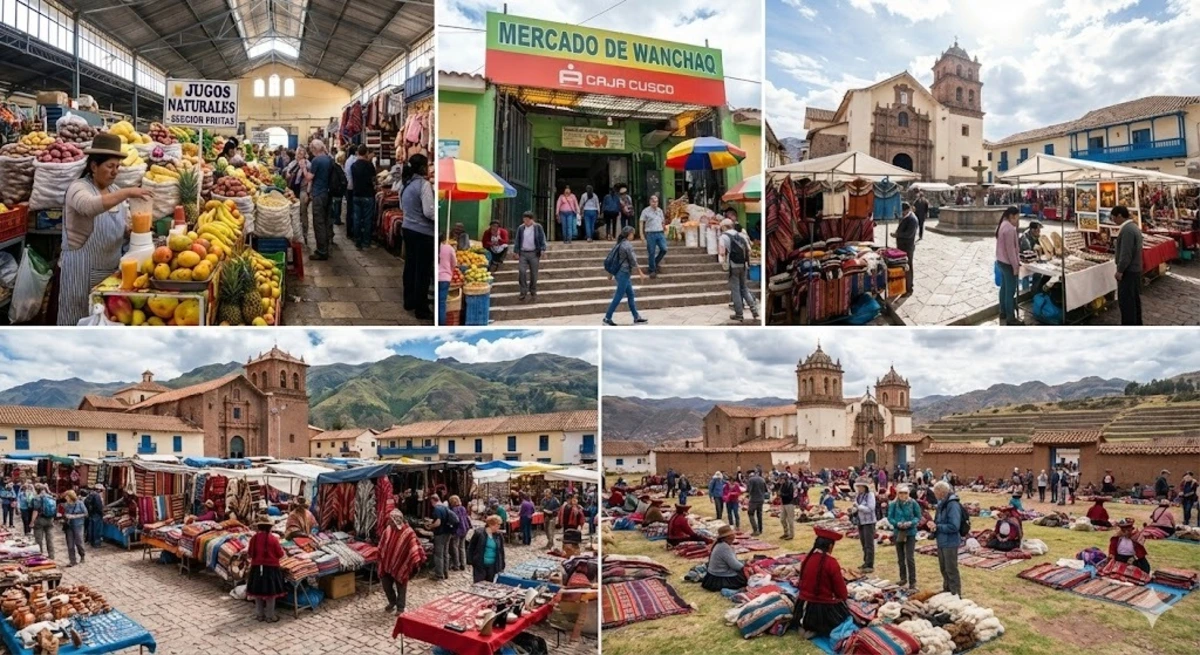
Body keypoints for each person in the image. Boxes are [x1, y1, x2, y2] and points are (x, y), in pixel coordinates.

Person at [58, 133, 156, 325]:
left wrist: (133, 231)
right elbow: (88, 206)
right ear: (94, 166)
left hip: (109, 276)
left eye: (117, 167)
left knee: (104, 321)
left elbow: (118, 226)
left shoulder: (113, 191)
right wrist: (127, 191)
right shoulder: (78, 188)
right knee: (77, 321)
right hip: (81, 272)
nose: (115, 171)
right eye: (110, 166)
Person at [793, 526, 851, 638]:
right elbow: (841, 593)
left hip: (803, 605)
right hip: (823, 609)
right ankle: (816, 627)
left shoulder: (807, 559)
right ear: (830, 546)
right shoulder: (831, 563)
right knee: (844, 613)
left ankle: (805, 624)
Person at [400, 154, 435, 321]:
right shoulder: (424, 185)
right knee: (423, 271)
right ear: (423, 167)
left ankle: (409, 300)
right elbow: (429, 211)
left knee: (410, 267)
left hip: (408, 228)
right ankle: (421, 309)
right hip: (423, 233)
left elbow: (402, 206)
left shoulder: (405, 184)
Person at [378, 502, 425, 613]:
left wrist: (411, 561)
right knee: (386, 584)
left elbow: (414, 548)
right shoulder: (388, 530)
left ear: (396, 520)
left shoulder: (409, 533)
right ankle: (392, 602)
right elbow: (382, 543)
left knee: (401, 586)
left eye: (391, 520)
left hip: (402, 564)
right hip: (387, 563)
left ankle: (400, 607)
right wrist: (381, 555)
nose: (389, 522)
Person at [602, 225, 648, 326]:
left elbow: (615, 260)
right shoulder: (627, 245)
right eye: (632, 233)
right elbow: (633, 260)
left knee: (631, 294)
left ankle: (636, 317)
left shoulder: (620, 244)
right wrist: (640, 272)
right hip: (624, 273)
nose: (633, 235)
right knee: (618, 296)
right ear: (629, 234)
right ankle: (607, 318)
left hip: (621, 273)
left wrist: (611, 273)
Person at [246, 517, 286, 622]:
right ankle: (270, 616)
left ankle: (259, 615)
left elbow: (250, 553)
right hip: (271, 569)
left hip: (256, 567)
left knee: (258, 592)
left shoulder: (254, 538)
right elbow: (280, 554)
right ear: (269, 527)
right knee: (271, 593)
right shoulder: (273, 539)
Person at [1109, 204, 1143, 324]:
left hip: (1129, 271)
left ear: (1119, 216)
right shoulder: (1133, 227)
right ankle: (1136, 324)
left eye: (1113, 217)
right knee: (1134, 300)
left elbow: (1126, 254)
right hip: (1134, 269)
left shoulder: (1128, 230)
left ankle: (1129, 325)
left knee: (1127, 302)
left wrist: (1120, 271)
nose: (1112, 220)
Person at [721, 222, 759, 322]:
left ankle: (739, 314)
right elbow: (749, 249)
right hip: (743, 265)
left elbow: (721, 252)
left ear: (724, 227)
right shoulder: (742, 235)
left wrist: (724, 260)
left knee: (735, 290)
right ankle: (754, 310)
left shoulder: (724, 236)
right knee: (744, 288)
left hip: (733, 266)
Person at [305, 139, 335, 261]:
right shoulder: (329, 159)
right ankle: (326, 247)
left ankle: (321, 251)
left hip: (319, 194)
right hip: (328, 193)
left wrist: (303, 168)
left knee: (318, 222)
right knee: (327, 220)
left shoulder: (316, 160)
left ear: (314, 149)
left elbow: (309, 178)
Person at [933, 480, 963, 596]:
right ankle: (947, 592)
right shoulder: (942, 504)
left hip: (950, 542)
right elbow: (938, 520)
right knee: (944, 569)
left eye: (935, 492)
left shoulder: (952, 504)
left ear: (941, 492)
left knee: (951, 570)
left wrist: (938, 527)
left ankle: (955, 594)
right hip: (942, 541)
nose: (934, 494)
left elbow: (954, 526)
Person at [887, 485, 920, 589]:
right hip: (899, 532)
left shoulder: (913, 503)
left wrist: (911, 523)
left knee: (910, 557)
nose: (903, 495)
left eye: (905, 493)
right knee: (900, 557)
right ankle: (903, 578)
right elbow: (890, 517)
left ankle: (912, 581)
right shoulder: (893, 504)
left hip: (910, 532)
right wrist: (896, 524)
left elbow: (918, 516)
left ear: (908, 494)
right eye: (901, 493)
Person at [995, 206, 1022, 326]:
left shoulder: (1003, 224)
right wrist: (1015, 267)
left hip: (1001, 261)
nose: (1018, 220)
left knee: (1004, 288)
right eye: (1017, 218)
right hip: (1008, 263)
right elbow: (1011, 251)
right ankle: (1010, 318)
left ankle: (1003, 312)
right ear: (1012, 216)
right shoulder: (1010, 229)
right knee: (1010, 292)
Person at [701, 525, 747, 591]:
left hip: (712, 577)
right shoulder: (724, 547)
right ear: (728, 537)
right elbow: (735, 566)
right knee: (745, 578)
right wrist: (745, 566)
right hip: (720, 578)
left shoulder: (719, 544)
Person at [348, 145, 377, 250]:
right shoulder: (369, 165)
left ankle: (357, 241)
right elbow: (374, 180)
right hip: (368, 195)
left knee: (356, 219)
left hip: (356, 195)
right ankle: (366, 242)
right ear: (366, 153)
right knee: (367, 219)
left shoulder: (353, 166)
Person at [515, 211, 546, 303]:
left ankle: (533, 290)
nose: (526, 222)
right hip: (523, 253)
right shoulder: (521, 228)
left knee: (534, 273)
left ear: (532, 220)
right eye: (524, 220)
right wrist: (516, 251)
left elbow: (542, 238)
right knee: (522, 271)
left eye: (527, 220)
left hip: (534, 253)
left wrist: (543, 249)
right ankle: (523, 291)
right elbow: (517, 240)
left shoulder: (537, 227)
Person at [468, 515, 506, 583]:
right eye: (497, 525)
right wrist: (471, 560)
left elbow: (501, 551)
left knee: (490, 584)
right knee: (479, 584)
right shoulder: (479, 533)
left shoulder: (498, 535)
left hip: (493, 565)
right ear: (491, 525)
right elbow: (471, 547)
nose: (499, 527)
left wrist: (502, 564)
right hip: (480, 564)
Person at [893, 202, 919, 297]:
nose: (901, 213)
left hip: (907, 247)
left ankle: (908, 289)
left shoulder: (912, 219)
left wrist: (897, 235)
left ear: (907, 210)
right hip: (902, 246)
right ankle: (904, 286)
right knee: (904, 267)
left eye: (902, 211)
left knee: (908, 267)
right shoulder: (906, 217)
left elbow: (909, 234)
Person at [287, 147, 311, 245]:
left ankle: (304, 234)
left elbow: (310, 179)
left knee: (303, 212)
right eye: (297, 154)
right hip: (292, 190)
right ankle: (293, 233)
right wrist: (287, 175)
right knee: (292, 212)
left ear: (304, 154)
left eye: (301, 154)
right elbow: (287, 174)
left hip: (303, 190)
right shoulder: (292, 164)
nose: (298, 156)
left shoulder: (308, 165)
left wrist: (309, 194)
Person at [853, 477, 876, 573]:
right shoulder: (858, 495)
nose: (859, 488)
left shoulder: (870, 495)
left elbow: (871, 508)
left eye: (860, 486)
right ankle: (865, 561)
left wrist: (859, 507)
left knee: (869, 543)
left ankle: (870, 564)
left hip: (869, 522)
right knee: (863, 543)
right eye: (857, 486)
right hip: (861, 521)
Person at [640, 195, 667, 278]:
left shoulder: (660, 211)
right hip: (650, 233)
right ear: (650, 202)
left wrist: (664, 228)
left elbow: (662, 221)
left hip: (660, 232)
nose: (655, 203)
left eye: (656, 201)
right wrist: (641, 234)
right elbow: (641, 222)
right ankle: (652, 270)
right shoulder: (646, 211)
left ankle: (654, 262)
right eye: (653, 201)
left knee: (664, 249)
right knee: (651, 252)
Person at [430, 494, 454, 580]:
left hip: (440, 533)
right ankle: (445, 572)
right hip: (447, 533)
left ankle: (439, 574)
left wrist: (430, 526)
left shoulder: (437, 509)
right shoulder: (445, 507)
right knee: (445, 553)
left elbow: (438, 522)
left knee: (438, 554)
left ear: (433, 500)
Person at [61, 490, 87, 566]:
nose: (66, 499)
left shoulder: (80, 503)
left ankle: (82, 555)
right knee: (70, 544)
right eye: (66, 497)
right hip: (69, 526)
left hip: (78, 525)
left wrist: (74, 516)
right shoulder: (66, 505)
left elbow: (86, 514)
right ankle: (72, 560)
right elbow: (65, 514)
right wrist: (64, 518)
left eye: (67, 497)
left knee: (79, 542)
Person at [31, 485, 56, 559]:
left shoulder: (37, 498)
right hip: (50, 519)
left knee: (38, 538)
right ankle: (51, 555)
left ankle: (39, 555)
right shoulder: (51, 497)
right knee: (50, 538)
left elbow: (35, 511)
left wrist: (32, 521)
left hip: (40, 520)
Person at [437, 238, 456, 326]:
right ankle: (441, 324)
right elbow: (454, 263)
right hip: (445, 278)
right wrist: (450, 272)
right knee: (441, 304)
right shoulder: (448, 248)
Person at [449, 495, 470, 572]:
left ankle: (456, 565)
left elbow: (455, 521)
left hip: (458, 530)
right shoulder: (463, 508)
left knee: (455, 547)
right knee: (462, 547)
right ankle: (463, 564)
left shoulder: (454, 510)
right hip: (465, 529)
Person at [746, 469, 767, 537]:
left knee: (750, 513)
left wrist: (748, 495)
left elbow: (749, 490)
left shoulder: (751, 480)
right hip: (761, 499)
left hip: (754, 500)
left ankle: (755, 530)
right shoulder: (762, 479)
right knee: (759, 515)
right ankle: (760, 529)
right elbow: (766, 490)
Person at [778, 473, 796, 540]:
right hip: (784, 503)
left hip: (789, 503)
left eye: (781, 479)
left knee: (790, 520)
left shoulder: (790, 484)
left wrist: (781, 494)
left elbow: (790, 495)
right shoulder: (782, 485)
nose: (780, 480)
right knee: (782, 519)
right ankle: (786, 533)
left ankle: (791, 535)